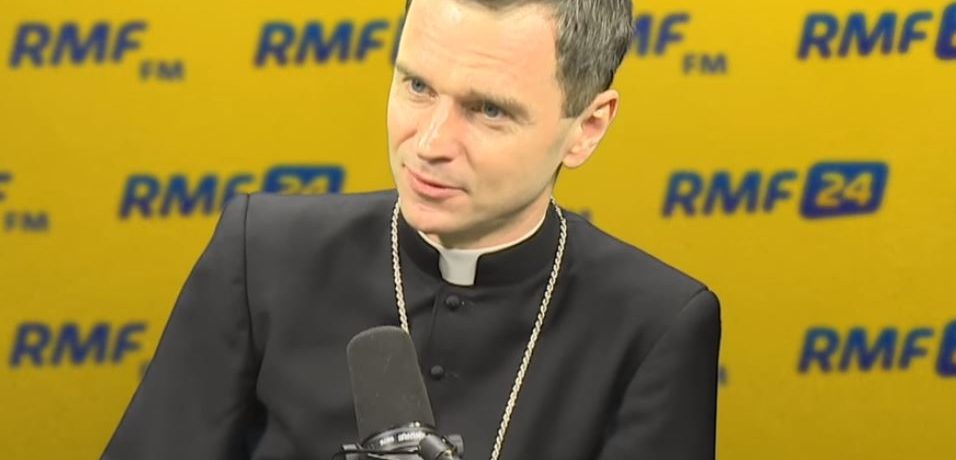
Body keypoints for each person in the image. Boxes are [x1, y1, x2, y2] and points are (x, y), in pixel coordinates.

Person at [103, 0, 722, 458]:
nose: (429, 144)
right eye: (418, 86)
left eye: (488, 110)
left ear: (587, 127)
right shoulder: (261, 253)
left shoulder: (657, 324)